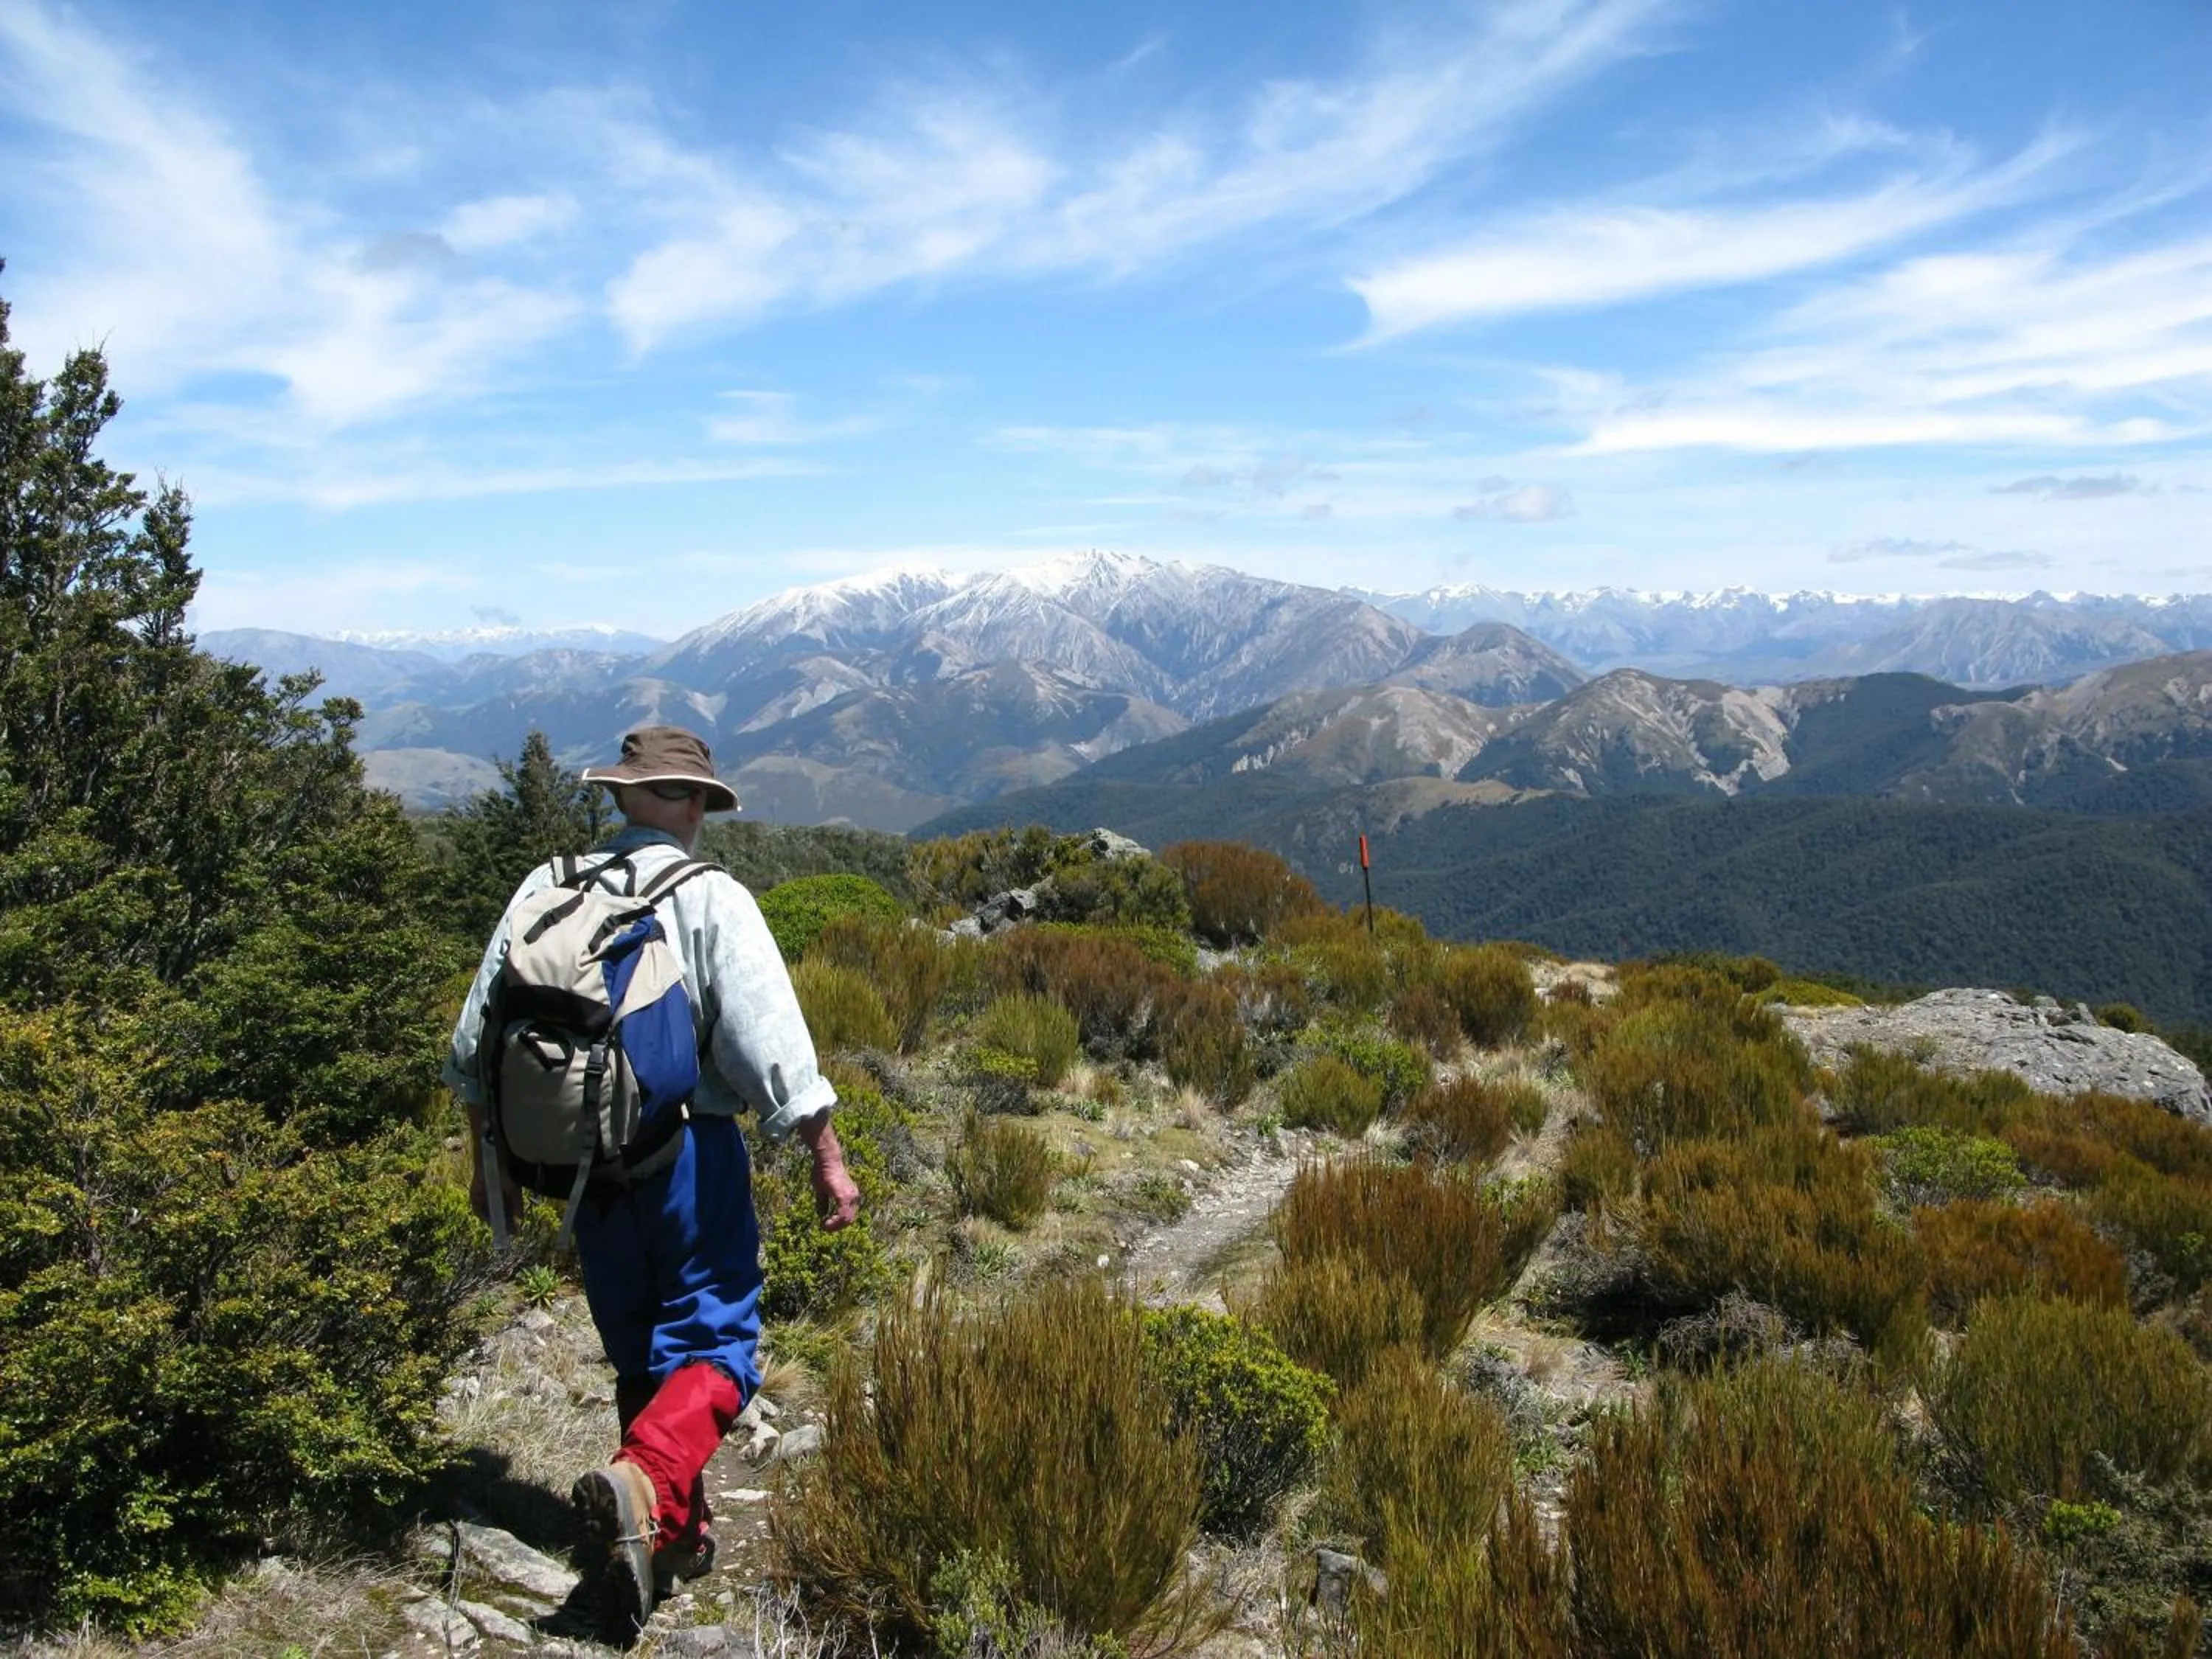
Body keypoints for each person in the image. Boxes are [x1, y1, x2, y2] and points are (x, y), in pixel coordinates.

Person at [443, 725, 860, 1638]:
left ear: (625, 797)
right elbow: (769, 1044)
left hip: (582, 1165)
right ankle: (644, 1484)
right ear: (695, 804)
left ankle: (669, 1539)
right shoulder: (707, 896)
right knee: (719, 1342)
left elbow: (477, 1039)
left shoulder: (546, 886)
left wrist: (491, 1167)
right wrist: (826, 1152)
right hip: (689, 1155)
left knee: (638, 1349)